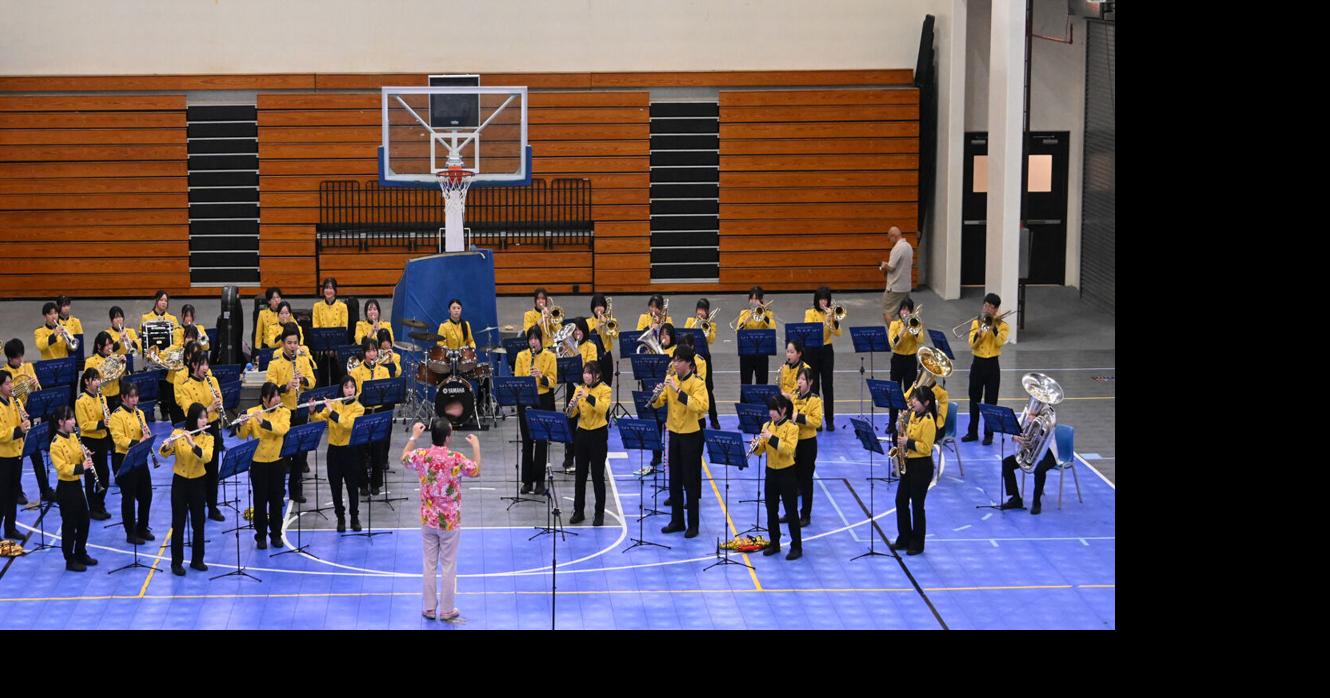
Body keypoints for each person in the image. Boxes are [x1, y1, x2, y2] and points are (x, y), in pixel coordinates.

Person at [401, 419, 481, 622]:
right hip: (450, 521)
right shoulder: (456, 458)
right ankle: (447, 609)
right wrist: (477, 447)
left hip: (428, 519)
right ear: (447, 438)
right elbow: (475, 470)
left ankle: (429, 608)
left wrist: (413, 437)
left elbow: (403, 458)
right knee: (448, 565)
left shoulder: (422, 455)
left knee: (429, 564)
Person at [652, 345, 709, 538]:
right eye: (674, 360)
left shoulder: (697, 383)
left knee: (690, 482)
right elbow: (659, 403)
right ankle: (677, 520)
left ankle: (693, 524)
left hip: (691, 435)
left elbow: (701, 406)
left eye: (678, 360)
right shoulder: (671, 381)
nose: (675, 364)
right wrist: (656, 395)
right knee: (674, 480)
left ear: (689, 364)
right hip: (673, 434)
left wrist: (678, 391)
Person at [234, 382, 291, 550]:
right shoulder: (253, 412)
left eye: (277, 396)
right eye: (272, 397)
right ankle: (260, 536)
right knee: (259, 502)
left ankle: (276, 535)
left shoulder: (284, 412)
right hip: (258, 463)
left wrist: (263, 422)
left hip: (277, 462)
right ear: (264, 399)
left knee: (276, 500)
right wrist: (242, 423)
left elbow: (282, 429)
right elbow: (242, 436)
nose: (276, 399)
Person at [159, 402, 213, 575]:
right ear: (193, 418)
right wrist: (167, 445)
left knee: (199, 522)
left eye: (206, 417)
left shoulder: (208, 438)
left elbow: (207, 458)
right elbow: (164, 453)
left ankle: (198, 560)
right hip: (180, 483)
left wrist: (192, 444)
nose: (205, 420)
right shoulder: (177, 433)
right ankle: (176, 563)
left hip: (198, 482)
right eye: (201, 417)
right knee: (179, 524)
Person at [173, 348, 227, 521]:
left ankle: (212, 506)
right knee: (197, 469)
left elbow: (219, 402)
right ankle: (195, 504)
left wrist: (218, 405)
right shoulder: (186, 387)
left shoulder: (213, 381)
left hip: (212, 427)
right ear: (194, 365)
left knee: (212, 470)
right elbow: (189, 411)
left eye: (207, 364)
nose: (205, 368)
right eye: (202, 364)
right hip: (196, 431)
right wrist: (209, 408)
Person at [265, 324, 315, 502]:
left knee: (300, 453)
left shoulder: (303, 360)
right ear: (283, 344)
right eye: (289, 343)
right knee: (283, 453)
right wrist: (285, 387)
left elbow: (313, 382)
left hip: (300, 410)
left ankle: (296, 490)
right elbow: (269, 388)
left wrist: (303, 380)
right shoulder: (274, 364)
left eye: (295, 343)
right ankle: (278, 490)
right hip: (282, 413)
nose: (293, 346)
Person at [310, 375, 365, 532]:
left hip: (350, 451)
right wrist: (313, 411)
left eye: (352, 387)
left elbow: (348, 425)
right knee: (335, 487)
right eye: (346, 387)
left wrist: (332, 411)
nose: (349, 390)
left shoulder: (359, 408)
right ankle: (340, 518)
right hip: (333, 451)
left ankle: (354, 517)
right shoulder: (334, 403)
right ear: (341, 389)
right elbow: (319, 420)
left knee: (352, 487)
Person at [50, 405, 97, 571]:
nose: (73, 421)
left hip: (76, 485)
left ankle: (81, 552)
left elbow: (77, 454)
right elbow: (62, 468)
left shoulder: (73, 436)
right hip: (66, 488)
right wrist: (81, 467)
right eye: (70, 418)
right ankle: (70, 559)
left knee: (84, 521)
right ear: (61, 422)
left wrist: (85, 454)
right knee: (70, 525)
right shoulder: (55, 444)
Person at [754, 394, 801, 560]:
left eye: (775, 410)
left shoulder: (792, 428)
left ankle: (796, 546)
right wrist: (757, 446)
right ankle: (775, 542)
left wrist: (771, 437)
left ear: (784, 410)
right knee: (771, 509)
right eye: (770, 410)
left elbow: (788, 449)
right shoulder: (767, 425)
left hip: (787, 473)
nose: (772, 413)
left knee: (791, 510)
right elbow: (762, 450)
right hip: (771, 473)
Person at [894, 386, 938, 556]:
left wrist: (907, 442)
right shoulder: (913, 414)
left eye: (916, 400)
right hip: (909, 463)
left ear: (926, 403)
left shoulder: (928, 421)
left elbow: (926, 448)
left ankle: (918, 543)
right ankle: (904, 537)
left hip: (922, 466)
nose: (912, 402)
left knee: (918, 506)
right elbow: (906, 431)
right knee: (901, 500)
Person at [108, 382, 153, 544]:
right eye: (131, 397)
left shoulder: (139, 413)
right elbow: (118, 440)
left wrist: (147, 436)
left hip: (140, 457)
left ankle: (142, 527)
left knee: (146, 495)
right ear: (123, 397)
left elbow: (145, 430)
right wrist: (138, 442)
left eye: (136, 396)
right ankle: (130, 532)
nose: (135, 400)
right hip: (124, 459)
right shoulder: (116, 416)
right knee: (128, 497)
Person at [5, 339, 50, 503]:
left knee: (36, 454)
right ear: (10, 358)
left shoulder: (29, 367)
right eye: (17, 357)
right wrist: (21, 389)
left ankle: (45, 490)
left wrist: (35, 385)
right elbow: (9, 394)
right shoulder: (4, 373)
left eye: (21, 356)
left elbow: (37, 391)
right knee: (17, 458)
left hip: (28, 414)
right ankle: (17, 491)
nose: (21, 360)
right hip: (14, 419)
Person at [514, 325, 557, 494]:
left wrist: (541, 376)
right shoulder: (521, 356)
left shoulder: (550, 356)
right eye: (530, 339)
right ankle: (527, 481)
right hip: (526, 399)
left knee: (541, 441)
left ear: (541, 340)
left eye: (536, 338)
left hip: (543, 399)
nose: (533, 342)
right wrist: (527, 378)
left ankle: (540, 480)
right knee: (527, 441)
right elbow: (518, 379)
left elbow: (553, 381)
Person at [963, 293, 1010, 445]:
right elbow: (972, 344)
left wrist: (993, 327)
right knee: (974, 400)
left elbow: (999, 342)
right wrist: (980, 332)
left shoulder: (1003, 325)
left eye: (992, 307)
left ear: (996, 310)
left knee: (991, 402)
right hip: (977, 364)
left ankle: (989, 434)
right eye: (986, 305)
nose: (988, 309)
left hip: (992, 365)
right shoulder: (976, 323)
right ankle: (972, 432)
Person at [569, 361, 611, 526]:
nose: (585, 375)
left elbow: (602, 409)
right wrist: (571, 408)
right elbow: (573, 414)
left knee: (597, 475)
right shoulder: (579, 389)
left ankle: (599, 513)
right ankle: (578, 511)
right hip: (582, 433)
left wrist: (587, 396)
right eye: (584, 372)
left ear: (597, 375)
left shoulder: (605, 389)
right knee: (580, 475)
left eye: (589, 373)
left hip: (598, 435)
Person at [348, 337, 390, 495]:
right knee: (361, 450)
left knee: (378, 450)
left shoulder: (383, 370)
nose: (372, 354)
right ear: (364, 353)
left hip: (378, 411)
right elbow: (354, 393)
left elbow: (387, 391)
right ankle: (363, 484)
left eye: (374, 350)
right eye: (369, 351)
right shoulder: (356, 371)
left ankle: (376, 483)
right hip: (363, 412)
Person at [74, 367, 112, 521]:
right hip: (90, 441)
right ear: (86, 381)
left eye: (98, 379)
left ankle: (100, 503)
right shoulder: (80, 401)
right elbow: (83, 425)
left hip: (102, 439)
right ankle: (92, 508)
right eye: (95, 379)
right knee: (91, 477)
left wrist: (108, 420)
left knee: (104, 474)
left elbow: (106, 416)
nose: (98, 382)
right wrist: (102, 423)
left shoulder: (101, 398)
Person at [804, 287, 842, 430]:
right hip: (812, 350)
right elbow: (810, 330)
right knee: (814, 387)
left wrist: (832, 319)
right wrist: (824, 321)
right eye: (821, 299)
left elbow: (838, 333)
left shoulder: (832, 314)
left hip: (826, 350)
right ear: (817, 300)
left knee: (828, 385)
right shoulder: (809, 313)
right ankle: (817, 420)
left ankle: (830, 420)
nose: (823, 302)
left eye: (826, 299)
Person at [790, 367, 823, 528]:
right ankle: (791, 512)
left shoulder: (815, 400)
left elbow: (816, 422)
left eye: (802, 380)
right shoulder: (794, 397)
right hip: (794, 442)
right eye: (798, 379)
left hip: (808, 443)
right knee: (792, 479)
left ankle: (805, 514)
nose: (799, 382)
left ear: (810, 382)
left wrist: (798, 417)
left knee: (806, 480)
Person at [0, 369, 31, 541]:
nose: (11, 385)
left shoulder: (14, 401)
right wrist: (18, 429)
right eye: (7, 383)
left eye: (11, 382)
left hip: (16, 453)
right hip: (3, 457)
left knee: (13, 493)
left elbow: (18, 424)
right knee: (2, 495)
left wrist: (23, 422)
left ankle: (10, 528)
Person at [888, 298, 923, 437]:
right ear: (899, 311)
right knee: (894, 392)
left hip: (910, 360)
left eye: (908, 310)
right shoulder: (894, 325)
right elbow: (893, 344)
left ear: (911, 312)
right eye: (903, 309)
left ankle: (909, 422)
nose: (905, 312)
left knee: (911, 393)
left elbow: (920, 340)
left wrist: (913, 329)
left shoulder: (917, 324)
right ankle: (891, 423)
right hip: (897, 360)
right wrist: (902, 330)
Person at [683, 298, 721, 429]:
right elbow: (685, 336)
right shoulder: (690, 320)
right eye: (699, 310)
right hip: (691, 357)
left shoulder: (711, 324)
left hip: (704, 358)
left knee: (708, 388)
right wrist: (695, 324)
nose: (701, 312)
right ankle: (693, 418)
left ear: (707, 312)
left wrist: (706, 328)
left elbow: (711, 340)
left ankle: (714, 419)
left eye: (703, 310)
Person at [312, 277, 349, 386]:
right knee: (322, 377)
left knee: (337, 377)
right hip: (322, 349)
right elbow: (316, 327)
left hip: (336, 350)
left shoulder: (342, 306)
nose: (328, 291)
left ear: (335, 291)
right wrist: (325, 347)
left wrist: (334, 348)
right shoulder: (317, 306)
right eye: (326, 288)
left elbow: (344, 328)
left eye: (331, 288)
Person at [735, 286, 774, 385]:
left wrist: (763, 316)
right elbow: (737, 331)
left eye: (756, 299)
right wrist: (746, 321)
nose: (753, 301)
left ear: (761, 300)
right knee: (745, 382)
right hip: (746, 353)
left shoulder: (768, 313)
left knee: (762, 382)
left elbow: (773, 328)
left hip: (762, 352)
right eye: (751, 299)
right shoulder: (744, 313)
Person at [879, 226, 913, 326]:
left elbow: (891, 267)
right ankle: (906, 335)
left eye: (889, 238)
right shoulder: (908, 246)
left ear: (893, 236)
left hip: (895, 288)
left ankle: (894, 337)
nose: (890, 241)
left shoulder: (897, 248)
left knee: (888, 312)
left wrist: (884, 265)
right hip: (906, 287)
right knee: (905, 313)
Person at [85, 332, 122, 411]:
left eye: (111, 344)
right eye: (107, 345)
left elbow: (121, 376)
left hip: (116, 396)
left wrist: (122, 363)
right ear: (99, 346)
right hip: (100, 398)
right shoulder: (90, 361)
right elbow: (88, 384)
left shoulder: (116, 358)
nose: (110, 347)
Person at [254, 287, 283, 352]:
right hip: (268, 346)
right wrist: (257, 351)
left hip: (282, 345)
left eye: (278, 297)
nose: (276, 300)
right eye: (273, 298)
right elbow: (258, 334)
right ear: (269, 301)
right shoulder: (262, 314)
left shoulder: (285, 312)